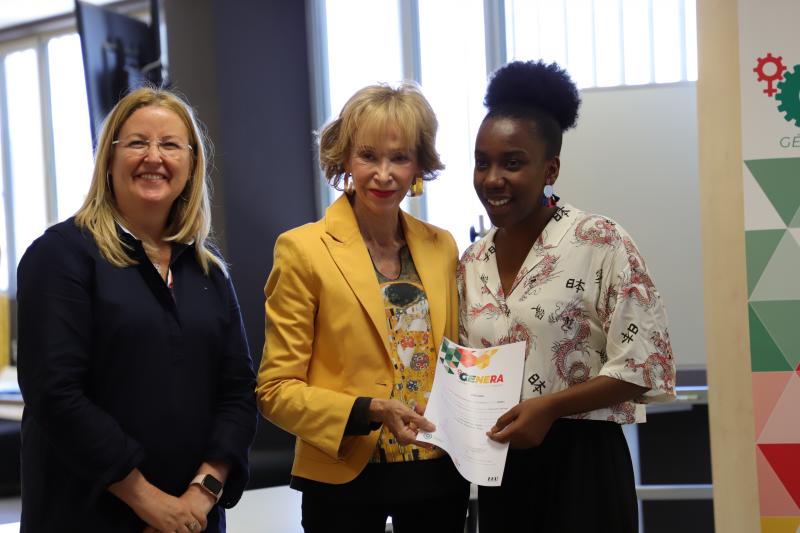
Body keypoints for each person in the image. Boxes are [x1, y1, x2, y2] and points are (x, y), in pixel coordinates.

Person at [16, 87, 257, 532]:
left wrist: (198, 498)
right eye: (137, 142)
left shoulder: (208, 273)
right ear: (109, 160)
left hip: (193, 521)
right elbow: (55, 394)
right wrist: (149, 502)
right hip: (87, 517)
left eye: (170, 144)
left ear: (191, 163)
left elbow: (238, 393)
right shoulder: (60, 256)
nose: (154, 157)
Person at [458, 60, 677, 532]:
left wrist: (549, 407)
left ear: (550, 168)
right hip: (502, 471)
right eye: (482, 162)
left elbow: (644, 365)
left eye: (512, 163)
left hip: (585, 466)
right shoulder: (471, 261)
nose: (492, 178)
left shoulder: (599, 240)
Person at [257, 83, 469, 532]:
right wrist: (369, 410)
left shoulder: (442, 246)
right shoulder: (302, 249)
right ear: (345, 161)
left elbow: (455, 359)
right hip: (343, 479)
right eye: (368, 156)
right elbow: (275, 390)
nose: (384, 174)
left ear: (419, 165)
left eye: (400, 157)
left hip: (437, 473)